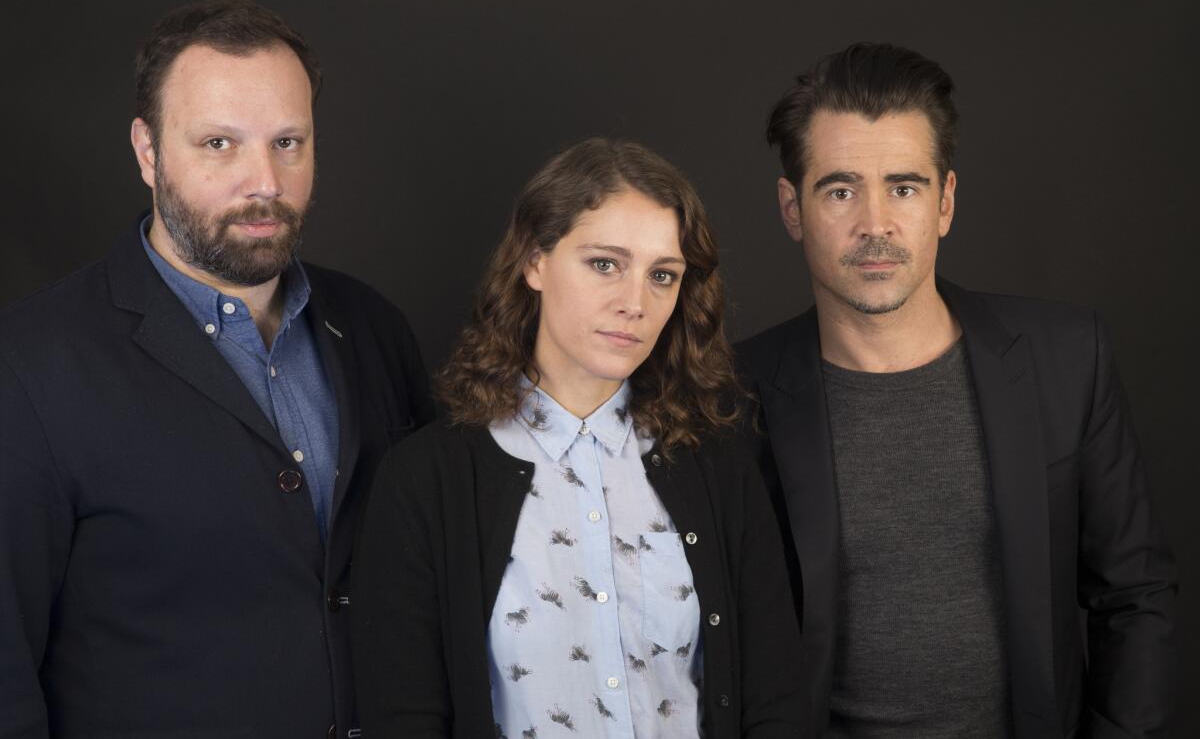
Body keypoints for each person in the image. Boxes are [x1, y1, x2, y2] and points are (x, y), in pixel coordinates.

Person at [0, 0, 434, 738]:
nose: (264, 180)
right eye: (219, 144)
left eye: (288, 142)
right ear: (146, 150)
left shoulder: (374, 329)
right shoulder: (29, 363)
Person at [737, 42, 1177, 738]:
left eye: (904, 187)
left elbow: (1136, 594)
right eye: (841, 189)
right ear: (793, 209)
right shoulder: (734, 397)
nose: (875, 224)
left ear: (944, 201)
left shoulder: (1067, 358)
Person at [351, 138, 806, 738]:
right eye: (604, 264)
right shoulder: (425, 480)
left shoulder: (720, 469)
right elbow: (403, 718)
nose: (634, 303)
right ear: (534, 261)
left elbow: (774, 700)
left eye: (662, 276)